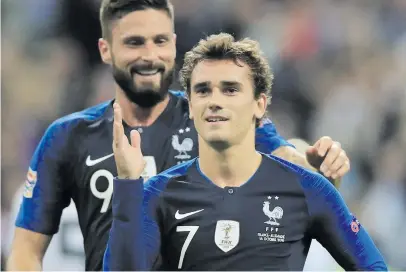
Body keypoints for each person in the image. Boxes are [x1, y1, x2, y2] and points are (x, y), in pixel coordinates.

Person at [7, 0, 351, 271]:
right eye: (134, 43)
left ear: (173, 44)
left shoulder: (219, 116)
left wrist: (320, 169)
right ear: (105, 50)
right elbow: (25, 251)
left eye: (159, 41)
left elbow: (292, 166)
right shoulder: (67, 137)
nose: (149, 55)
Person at [104, 32, 387, 271]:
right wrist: (128, 185)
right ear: (190, 106)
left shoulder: (308, 189)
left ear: (259, 105)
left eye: (230, 90)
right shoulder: (158, 194)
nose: (214, 101)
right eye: (203, 90)